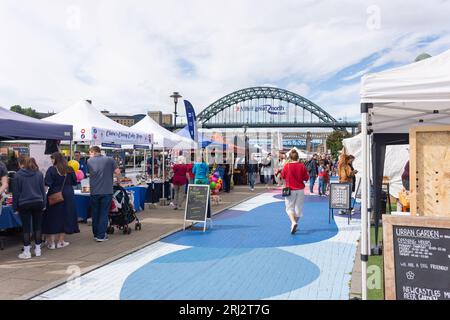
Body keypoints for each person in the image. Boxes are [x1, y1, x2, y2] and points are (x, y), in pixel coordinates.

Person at [42, 152, 79, 250]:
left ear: (56, 159)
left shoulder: (51, 169)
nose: (51, 161)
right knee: (65, 217)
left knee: (53, 217)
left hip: (54, 195)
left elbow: (47, 184)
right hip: (68, 195)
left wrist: (42, 195)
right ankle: (61, 241)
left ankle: (51, 242)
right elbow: (75, 182)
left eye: (52, 159)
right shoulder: (70, 169)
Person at [12, 157, 46, 259]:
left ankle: (27, 251)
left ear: (23, 164)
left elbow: (16, 194)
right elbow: (42, 191)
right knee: (38, 227)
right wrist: (44, 204)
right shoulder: (39, 174)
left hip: (24, 203)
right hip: (38, 202)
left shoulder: (17, 175)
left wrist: (15, 207)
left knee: (26, 228)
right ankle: (38, 249)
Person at [87, 146, 121, 242]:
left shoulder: (89, 161)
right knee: (103, 213)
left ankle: (96, 233)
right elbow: (117, 172)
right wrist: (118, 182)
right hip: (107, 191)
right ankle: (101, 235)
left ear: (93, 152)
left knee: (95, 213)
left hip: (94, 191)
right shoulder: (110, 160)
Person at [281, 149, 309, 234]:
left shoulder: (287, 166)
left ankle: (293, 222)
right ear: (298, 157)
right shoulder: (302, 166)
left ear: (290, 157)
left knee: (289, 207)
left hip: (290, 190)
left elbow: (283, 176)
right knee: (298, 208)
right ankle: (294, 224)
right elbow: (306, 178)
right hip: (300, 189)